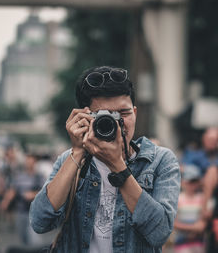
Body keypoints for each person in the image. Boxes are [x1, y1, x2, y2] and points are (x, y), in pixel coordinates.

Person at [29, 66, 181, 252]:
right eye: (106, 116)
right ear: (85, 117)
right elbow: (39, 222)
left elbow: (160, 233)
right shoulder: (69, 161)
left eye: (123, 114)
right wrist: (77, 151)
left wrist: (117, 165)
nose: (118, 123)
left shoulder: (160, 161)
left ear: (135, 112)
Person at [0, 153, 45, 245]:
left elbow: (45, 191)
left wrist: (32, 194)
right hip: (20, 211)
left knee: (33, 239)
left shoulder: (39, 176)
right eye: (27, 161)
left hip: (34, 212)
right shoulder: (19, 176)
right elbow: (13, 190)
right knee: (23, 237)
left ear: (34, 162)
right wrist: (5, 202)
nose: (28, 163)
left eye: (30, 161)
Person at [172, 164, 206, 253]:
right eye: (190, 182)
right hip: (182, 242)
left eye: (195, 181)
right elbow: (173, 223)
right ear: (184, 182)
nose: (192, 185)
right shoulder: (178, 199)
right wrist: (193, 228)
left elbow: (204, 222)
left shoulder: (202, 198)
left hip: (199, 243)